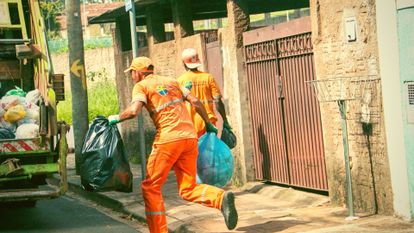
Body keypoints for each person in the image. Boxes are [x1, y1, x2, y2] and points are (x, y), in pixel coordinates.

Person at [107, 57, 238, 233]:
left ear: (138, 72)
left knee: (150, 187)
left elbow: (133, 111)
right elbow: (196, 102)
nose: (131, 76)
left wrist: (115, 118)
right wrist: (207, 123)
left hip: (168, 140)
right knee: (187, 188)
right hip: (190, 138)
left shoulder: (141, 86)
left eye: (131, 72)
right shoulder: (172, 82)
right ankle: (220, 198)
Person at [177, 48, 233, 139]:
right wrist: (225, 120)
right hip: (209, 122)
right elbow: (218, 101)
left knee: (196, 152)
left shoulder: (180, 81)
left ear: (184, 63)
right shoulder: (208, 78)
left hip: (191, 124)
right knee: (209, 151)